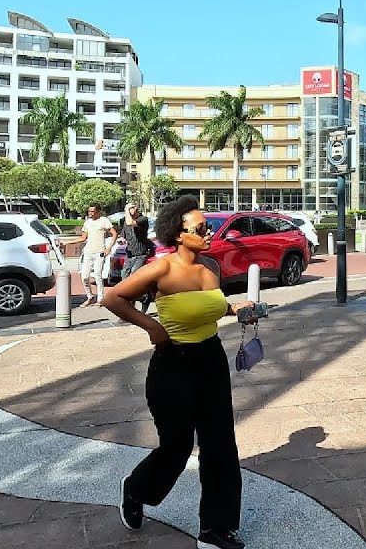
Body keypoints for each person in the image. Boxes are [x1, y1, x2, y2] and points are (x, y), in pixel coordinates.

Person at [101, 195, 252, 549]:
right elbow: (113, 298)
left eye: (208, 226)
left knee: (220, 445)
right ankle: (136, 489)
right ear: (179, 234)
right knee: (177, 445)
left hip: (210, 359)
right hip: (173, 364)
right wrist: (152, 328)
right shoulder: (162, 268)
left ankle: (216, 530)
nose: (209, 232)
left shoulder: (210, 267)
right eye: (201, 228)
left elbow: (208, 307)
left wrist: (235, 309)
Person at [69, 205, 117, 307]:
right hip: (88, 252)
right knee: (84, 276)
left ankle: (100, 299)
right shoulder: (87, 222)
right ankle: (90, 296)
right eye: (89, 211)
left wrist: (108, 248)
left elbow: (114, 234)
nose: (91, 213)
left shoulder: (104, 220)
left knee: (98, 275)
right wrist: (67, 243)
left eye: (93, 211)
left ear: (98, 211)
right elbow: (83, 238)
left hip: (99, 252)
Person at [119, 203, 155, 312]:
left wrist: (125, 208)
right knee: (125, 280)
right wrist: (122, 239)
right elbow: (124, 234)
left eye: (132, 208)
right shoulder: (125, 221)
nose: (130, 210)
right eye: (129, 208)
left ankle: (144, 298)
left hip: (141, 254)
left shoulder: (142, 219)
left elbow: (130, 223)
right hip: (129, 255)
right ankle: (142, 298)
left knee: (134, 278)